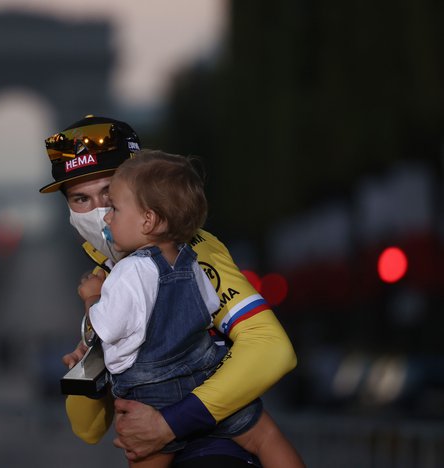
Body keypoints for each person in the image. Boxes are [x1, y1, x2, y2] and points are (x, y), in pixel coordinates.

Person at [40, 115, 302, 467]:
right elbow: (87, 428)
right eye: (81, 199)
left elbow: (272, 349)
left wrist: (168, 424)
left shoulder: (194, 250)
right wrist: (91, 356)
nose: (100, 212)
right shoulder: (105, 275)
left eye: (109, 193)